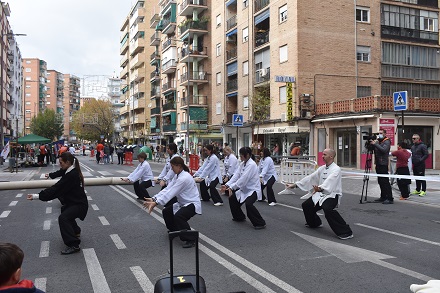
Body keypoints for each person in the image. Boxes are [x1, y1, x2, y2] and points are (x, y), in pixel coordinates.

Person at [27, 152, 88, 255]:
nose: (60, 164)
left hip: (79, 205)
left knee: (63, 218)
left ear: (68, 162)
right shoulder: (70, 169)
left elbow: (57, 188)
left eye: (61, 162)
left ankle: (74, 244)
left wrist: (37, 196)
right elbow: (60, 172)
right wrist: (50, 175)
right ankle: (76, 231)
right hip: (75, 202)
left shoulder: (71, 175)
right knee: (65, 210)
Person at [286, 148, 353, 239]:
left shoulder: (336, 169)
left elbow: (330, 182)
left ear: (331, 156)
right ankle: (315, 223)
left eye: (324, 154)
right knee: (306, 205)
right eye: (322, 154)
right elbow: (310, 178)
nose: (322, 156)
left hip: (332, 195)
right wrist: (295, 185)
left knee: (327, 209)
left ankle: (346, 232)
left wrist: (321, 188)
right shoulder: (322, 168)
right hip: (320, 194)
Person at [144, 157, 201, 248]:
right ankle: (175, 230)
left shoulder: (184, 178)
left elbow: (171, 192)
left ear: (179, 166)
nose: (171, 169)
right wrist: (154, 198)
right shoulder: (177, 176)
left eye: (172, 167)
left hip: (192, 203)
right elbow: (168, 189)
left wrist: (156, 203)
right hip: (183, 203)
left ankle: (191, 238)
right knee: (166, 211)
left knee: (179, 216)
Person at [221, 147, 266, 229]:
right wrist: (227, 185)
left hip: (253, 190)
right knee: (232, 198)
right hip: (244, 189)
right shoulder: (242, 164)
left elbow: (243, 180)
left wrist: (232, 187)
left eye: (242, 156)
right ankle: (239, 216)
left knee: (249, 204)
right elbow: (236, 176)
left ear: (247, 155)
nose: (240, 157)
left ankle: (260, 222)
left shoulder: (251, 165)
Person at [370, 129, 393, 204]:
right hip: (378, 163)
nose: (379, 134)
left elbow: (384, 150)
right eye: (379, 133)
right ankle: (383, 196)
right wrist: (371, 144)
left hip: (383, 163)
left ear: (385, 134)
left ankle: (389, 197)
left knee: (385, 181)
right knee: (380, 181)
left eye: (381, 133)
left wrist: (375, 144)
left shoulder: (387, 141)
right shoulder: (378, 141)